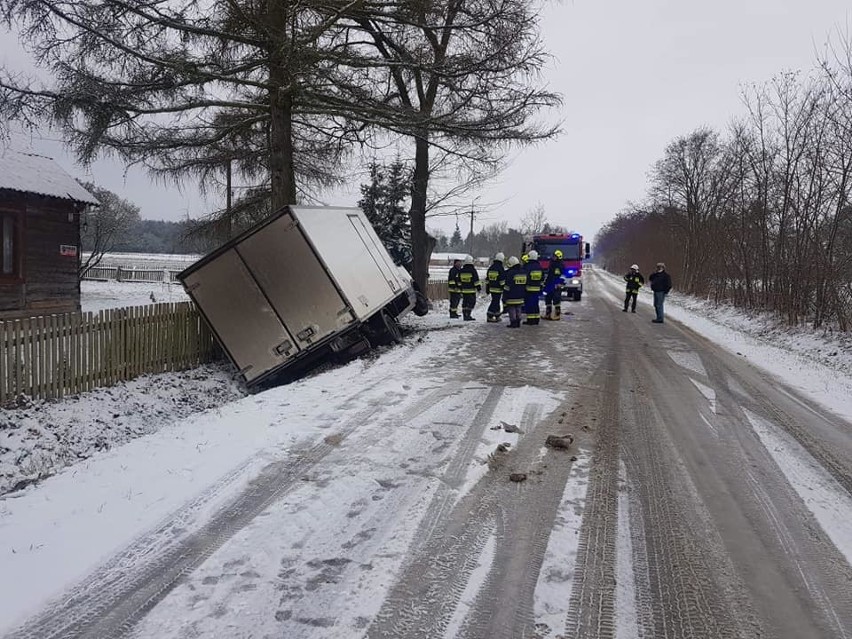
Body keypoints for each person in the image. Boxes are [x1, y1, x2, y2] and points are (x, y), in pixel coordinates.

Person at [502, 256, 526, 328]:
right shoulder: (523, 272)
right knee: (519, 308)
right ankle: (518, 322)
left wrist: (504, 296)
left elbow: (507, 286)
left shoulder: (510, 273)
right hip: (521, 295)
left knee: (511, 309)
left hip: (511, 296)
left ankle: (513, 322)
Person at [523, 250, 544, 325]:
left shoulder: (527, 266)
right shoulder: (539, 267)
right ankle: (536, 319)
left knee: (529, 305)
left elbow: (525, 277)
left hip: (528, 289)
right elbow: (542, 278)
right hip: (537, 289)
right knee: (535, 304)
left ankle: (530, 320)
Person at [458, 255, 481, 321]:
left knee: (465, 303)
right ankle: (468, 315)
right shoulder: (473, 270)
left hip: (464, 291)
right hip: (471, 291)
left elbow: (459, 281)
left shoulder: (461, 271)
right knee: (471, 303)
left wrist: (460, 288)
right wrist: (478, 288)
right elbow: (476, 281)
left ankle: (465, 315)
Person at [544, 249, 564, 321]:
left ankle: (557, 315)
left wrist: (559, 283)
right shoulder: (552, 264)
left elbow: (562, 276)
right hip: (550, 284)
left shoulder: (560, 265)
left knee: (556, 299)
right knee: (548, 299)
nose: (553, 257)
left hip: (556, 285)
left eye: (555, 256)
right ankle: (548, 314)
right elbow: (550, 275)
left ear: (558, 257)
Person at [485, 252, 506, 323]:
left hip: (491, 288)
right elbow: (502, 280)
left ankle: (497, 315)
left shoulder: (491, 268)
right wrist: (504, 288)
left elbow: (487, 280)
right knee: (495, 302)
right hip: (498, 289)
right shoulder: (500, 268)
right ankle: (489, 315)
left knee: (496, 301)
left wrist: (487, 289)